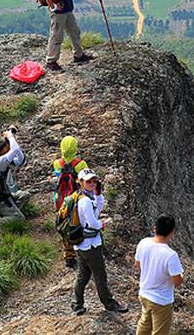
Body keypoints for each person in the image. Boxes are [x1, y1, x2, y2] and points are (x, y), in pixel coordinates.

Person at [72, 168, 127, 315]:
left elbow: (97, 209)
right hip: (90, 245)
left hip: (81, 244)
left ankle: (77, 304)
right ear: (81, 182)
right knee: (100, 274)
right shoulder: (85, 202)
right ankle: (109, 304)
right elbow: (92, 222)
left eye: (94, 181)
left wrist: (99, 194)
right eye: (88, 181)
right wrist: (102, 224)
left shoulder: (83, 197)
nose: (92, 183)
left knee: (83, 274)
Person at [134, 214, 184, 335]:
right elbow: (177, 282)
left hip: (144, 294)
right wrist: (181, 276)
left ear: (154, 228)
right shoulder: (170, 255)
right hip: (161, 300)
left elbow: (137, 264)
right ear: (172, 232)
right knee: (160, 331)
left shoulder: (143, 243)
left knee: (145, 323)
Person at [52, 135, 90, 269]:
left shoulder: (57, 163)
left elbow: (57, 178)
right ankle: (81, 250)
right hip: (75, 198)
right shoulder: (81, 164)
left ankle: (68, 255)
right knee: (78, 222)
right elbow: (86, 181)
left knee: (64, 224)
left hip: (60, 198)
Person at [0, 127, 29, 227]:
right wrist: (10, 136)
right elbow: (15, 149)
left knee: (25, 195)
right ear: (4, 148)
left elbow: (20, 158)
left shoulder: (4, 159)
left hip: (7, 196)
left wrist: (12, 137)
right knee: (20, 219)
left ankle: (11, 213)